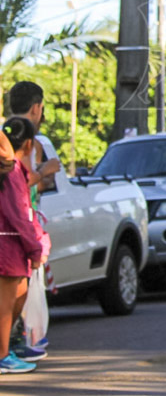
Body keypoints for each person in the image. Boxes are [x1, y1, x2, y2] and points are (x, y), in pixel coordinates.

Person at [6, 82, 56, 358]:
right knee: (17, 292)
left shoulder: (12, 131)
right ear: (37, 107)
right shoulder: (26, 137)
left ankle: (13, 346)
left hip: (20, 227)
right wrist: (45, 170)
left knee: (20, 291)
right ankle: (10, 348)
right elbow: (19, 185)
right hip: (17, 230)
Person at [0, 118, 46, 373]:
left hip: (10, 242)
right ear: (28, 145)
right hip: (8, 243)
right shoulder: (12, 171)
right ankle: (3, 355)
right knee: (6, 306)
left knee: (15, 298)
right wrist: (35, 248)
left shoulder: (11, 170)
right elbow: (19, 213)